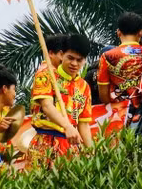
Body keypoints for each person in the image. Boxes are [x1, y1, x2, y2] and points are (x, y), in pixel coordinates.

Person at [26, 33, 93, 167]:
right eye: (70, 58)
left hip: (70, 148)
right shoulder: (46, 75)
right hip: (44, 143)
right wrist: (67, 126)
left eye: (79, 60)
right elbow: (47, 106)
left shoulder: (84, 87)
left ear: (85, 61)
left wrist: (92, 152)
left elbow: (83, 125)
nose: (74, 63)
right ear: (62, 55)